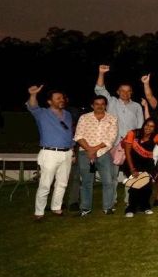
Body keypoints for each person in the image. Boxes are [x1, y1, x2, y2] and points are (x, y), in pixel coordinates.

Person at [95, 65, 145, 205]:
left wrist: (137, 143)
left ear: (131, 93)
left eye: (128, 91)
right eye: (122, 90)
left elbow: (140, 126)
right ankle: (112, 200)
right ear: (117, 92)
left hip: (131, 145)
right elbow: (99, 89)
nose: (125, 93)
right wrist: (101, 73)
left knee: (131, 173)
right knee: (113, 174)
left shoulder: (136, 106)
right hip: (114, 144)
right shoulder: (111, 102)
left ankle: (130, 200)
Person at [26, 85, 75, 221]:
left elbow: (69, 134)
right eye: (58, 98)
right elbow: (33, 106)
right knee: (45, 184)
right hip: (49, 153)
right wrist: (33, 94)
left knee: (62, 183)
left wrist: (72, 152)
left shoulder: (67, 114)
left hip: (66, 153)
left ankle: (56, 207)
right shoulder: (42, 113)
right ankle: (39, 211)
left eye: (62, 98)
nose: (61, 100)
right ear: (49, 101)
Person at [74, 95, 119, 216]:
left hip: (103, 154)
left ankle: (108, 207)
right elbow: (78, 136)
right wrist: (89, 150)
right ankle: (85, 208)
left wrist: (93, 150)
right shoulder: (84, 118)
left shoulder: (112, 119)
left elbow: (111, 139)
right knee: (86, 182)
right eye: (97, 104)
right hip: (86, 154)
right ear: (92, 105)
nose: (100, 106)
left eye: (102, 104)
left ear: (106, 105)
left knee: (108, 181)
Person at [121, 117, 158, 217]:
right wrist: (132, 169)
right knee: (135, 185)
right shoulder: (133, 133)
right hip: (132, 163)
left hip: (147, 165)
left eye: (152, 126)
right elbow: (127, 152)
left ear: (155, 128)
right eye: (147, 125)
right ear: (144, 124)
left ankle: (145, 207)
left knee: (147, 186)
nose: (148, 128)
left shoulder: (155, 136)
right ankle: (131, 209)